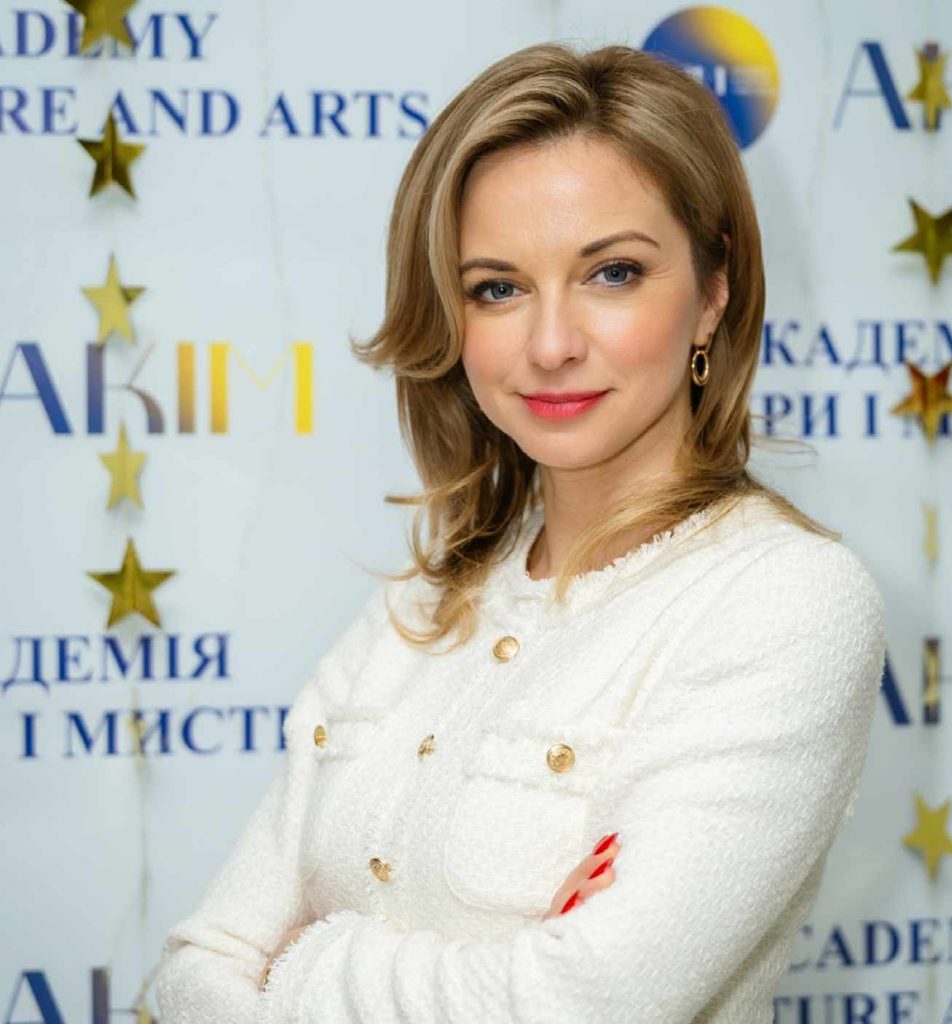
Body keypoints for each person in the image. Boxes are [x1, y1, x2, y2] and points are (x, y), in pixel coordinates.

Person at [155, 40, 886, 1024]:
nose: (550, 345)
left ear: (713, 292)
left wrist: (309, 965)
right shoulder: (421, 603)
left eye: (613, 273)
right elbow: (194, 973)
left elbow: (584, 1003)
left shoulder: (785, 600)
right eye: (497, 287)